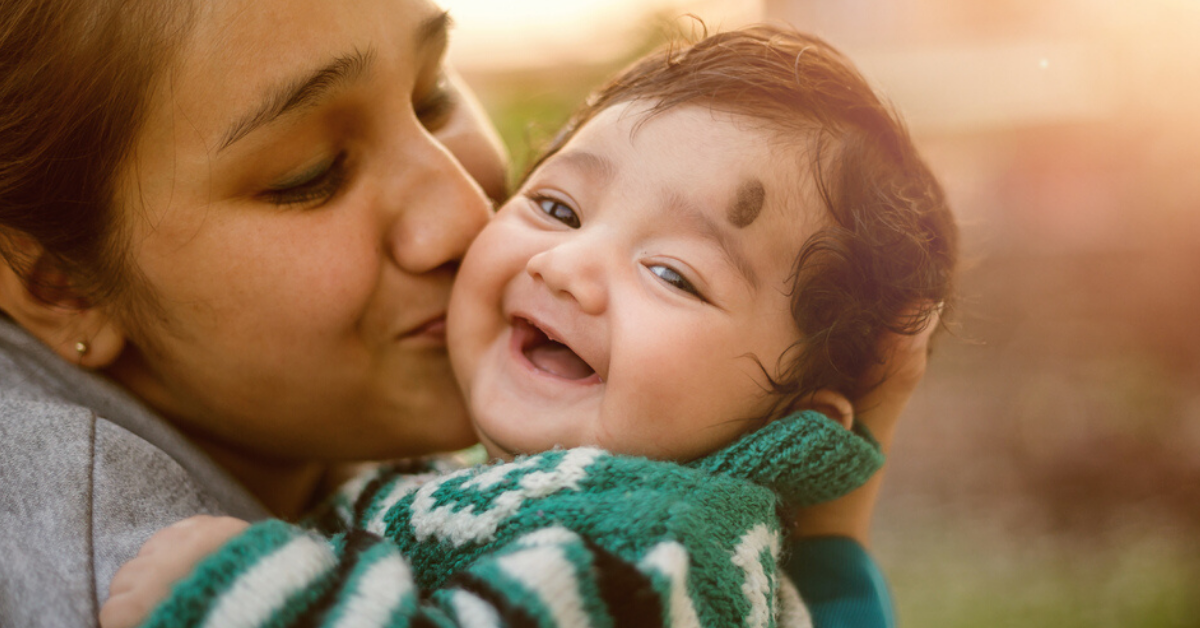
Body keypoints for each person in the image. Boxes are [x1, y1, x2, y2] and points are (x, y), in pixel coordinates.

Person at [99, 25, 957, 628]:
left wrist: (234, 594)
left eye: (673, 274)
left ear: (790, 431)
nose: (567, 266)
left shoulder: (663, 545)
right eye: (556, 205)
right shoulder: (519, 486)